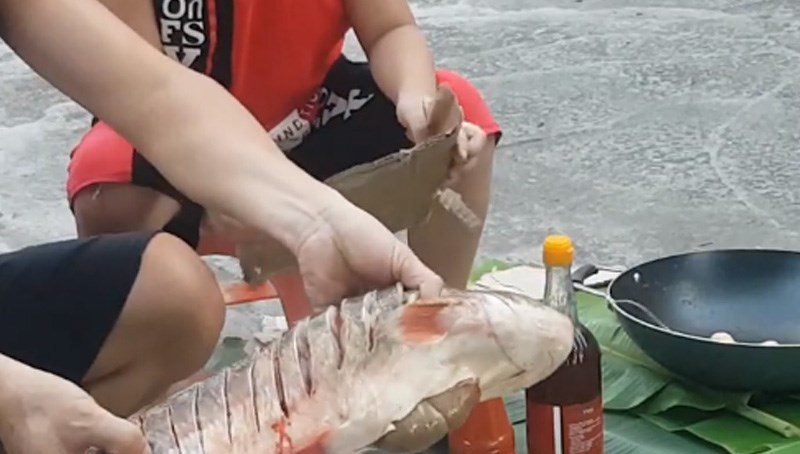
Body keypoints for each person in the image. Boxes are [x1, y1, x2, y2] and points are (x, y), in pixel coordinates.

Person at [0, 0, 445, 454]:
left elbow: (157, 93)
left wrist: (319, 222)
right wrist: (9, 391)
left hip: (303, 118)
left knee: (173, 295)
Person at [67, 0, 502, 289]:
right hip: (182, 140)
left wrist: (416, 100)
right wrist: (231, 183)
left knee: (460, 121)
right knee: (105, 183)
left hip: (307, 119)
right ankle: (154, 352)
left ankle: (439, 312)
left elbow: (390, 28)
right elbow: (136, 88)